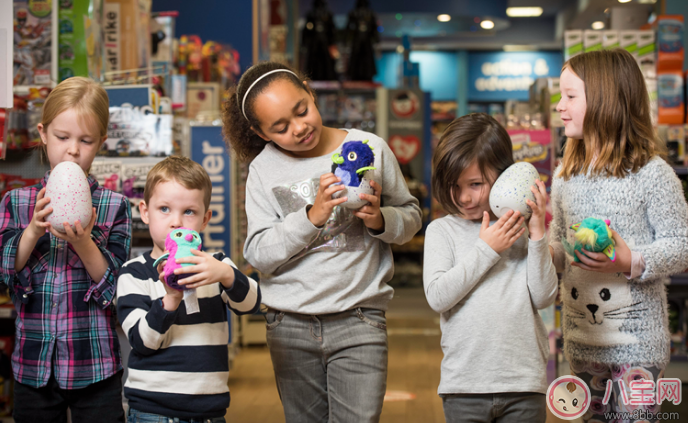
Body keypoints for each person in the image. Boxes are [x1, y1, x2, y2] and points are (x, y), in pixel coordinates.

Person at [222, 61, 422, 423]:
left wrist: (379, 220)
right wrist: (311, 217)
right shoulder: (263, 170)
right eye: (280, 127)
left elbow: (410, 217)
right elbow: (258, 254)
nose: (299, 128)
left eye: (302, 111)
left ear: (310, 92)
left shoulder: (369, 148)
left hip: (360, 318)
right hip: (289, 325)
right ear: (260, 131)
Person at [550, 48, 688, 423]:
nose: (559, 106)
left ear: (606, 101)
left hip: (637, 345)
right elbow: (558, 243)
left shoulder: (652, 174)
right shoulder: (564, 174)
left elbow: (681, 245)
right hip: (584, 339)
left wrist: (629, 261)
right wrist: (534, 243)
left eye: (570, 96)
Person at [0, 76, 132, 422]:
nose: (73, 149)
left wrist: (83, 241)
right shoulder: (16, 201)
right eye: (62, 137)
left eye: (85, 140)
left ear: (101, 142)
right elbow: (5, 271)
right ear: (43, 134)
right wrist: (32, 230)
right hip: (34, 367)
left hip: (95, 365)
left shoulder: (114, 206)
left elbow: (116, 287)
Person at [424, 113, 558, 423]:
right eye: (454, 186)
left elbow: (543, 297)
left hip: (523, 383)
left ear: (505, 176)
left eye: (475, 184)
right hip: (464, 385)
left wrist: (537, 233)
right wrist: (487, 249)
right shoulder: (441, 231)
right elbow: (438, 296)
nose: (463, 197)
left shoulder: (521, 228)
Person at [116, 156, 261, 423]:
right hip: (153, 411)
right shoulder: (134, 273)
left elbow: (252, 304)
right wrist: (170, 299)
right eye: (164, 209)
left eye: (189, 212)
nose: (176, 222)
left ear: (205, 219)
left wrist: (227, 275)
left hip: (210, 412)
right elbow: (142, 342)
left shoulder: (215, 264)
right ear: (145, 212)